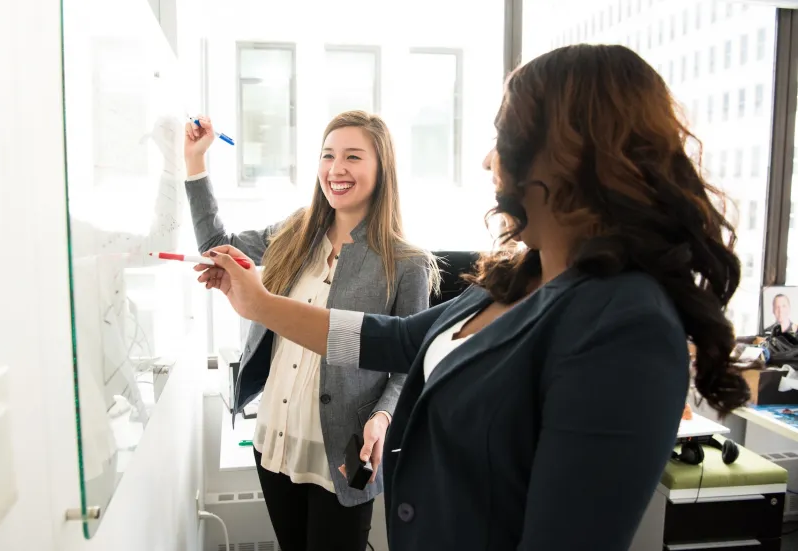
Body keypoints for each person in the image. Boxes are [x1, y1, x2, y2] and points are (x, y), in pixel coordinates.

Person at [194, 44, 751, 550]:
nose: (488, 161)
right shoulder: (514, 278)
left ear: (566, 154)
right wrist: (260, 305)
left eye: (502, 137)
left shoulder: (625, 326)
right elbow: (399, 340)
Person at [183, 111, 437, 551]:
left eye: (353, 157)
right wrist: (195, 162)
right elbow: (215, 247)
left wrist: (383, 417)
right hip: (274, 441)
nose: (336, 169)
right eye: (328, 155)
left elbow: (409, 365)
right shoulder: (295, 232)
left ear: (382, 169)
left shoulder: (406, 263)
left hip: (341, 453)